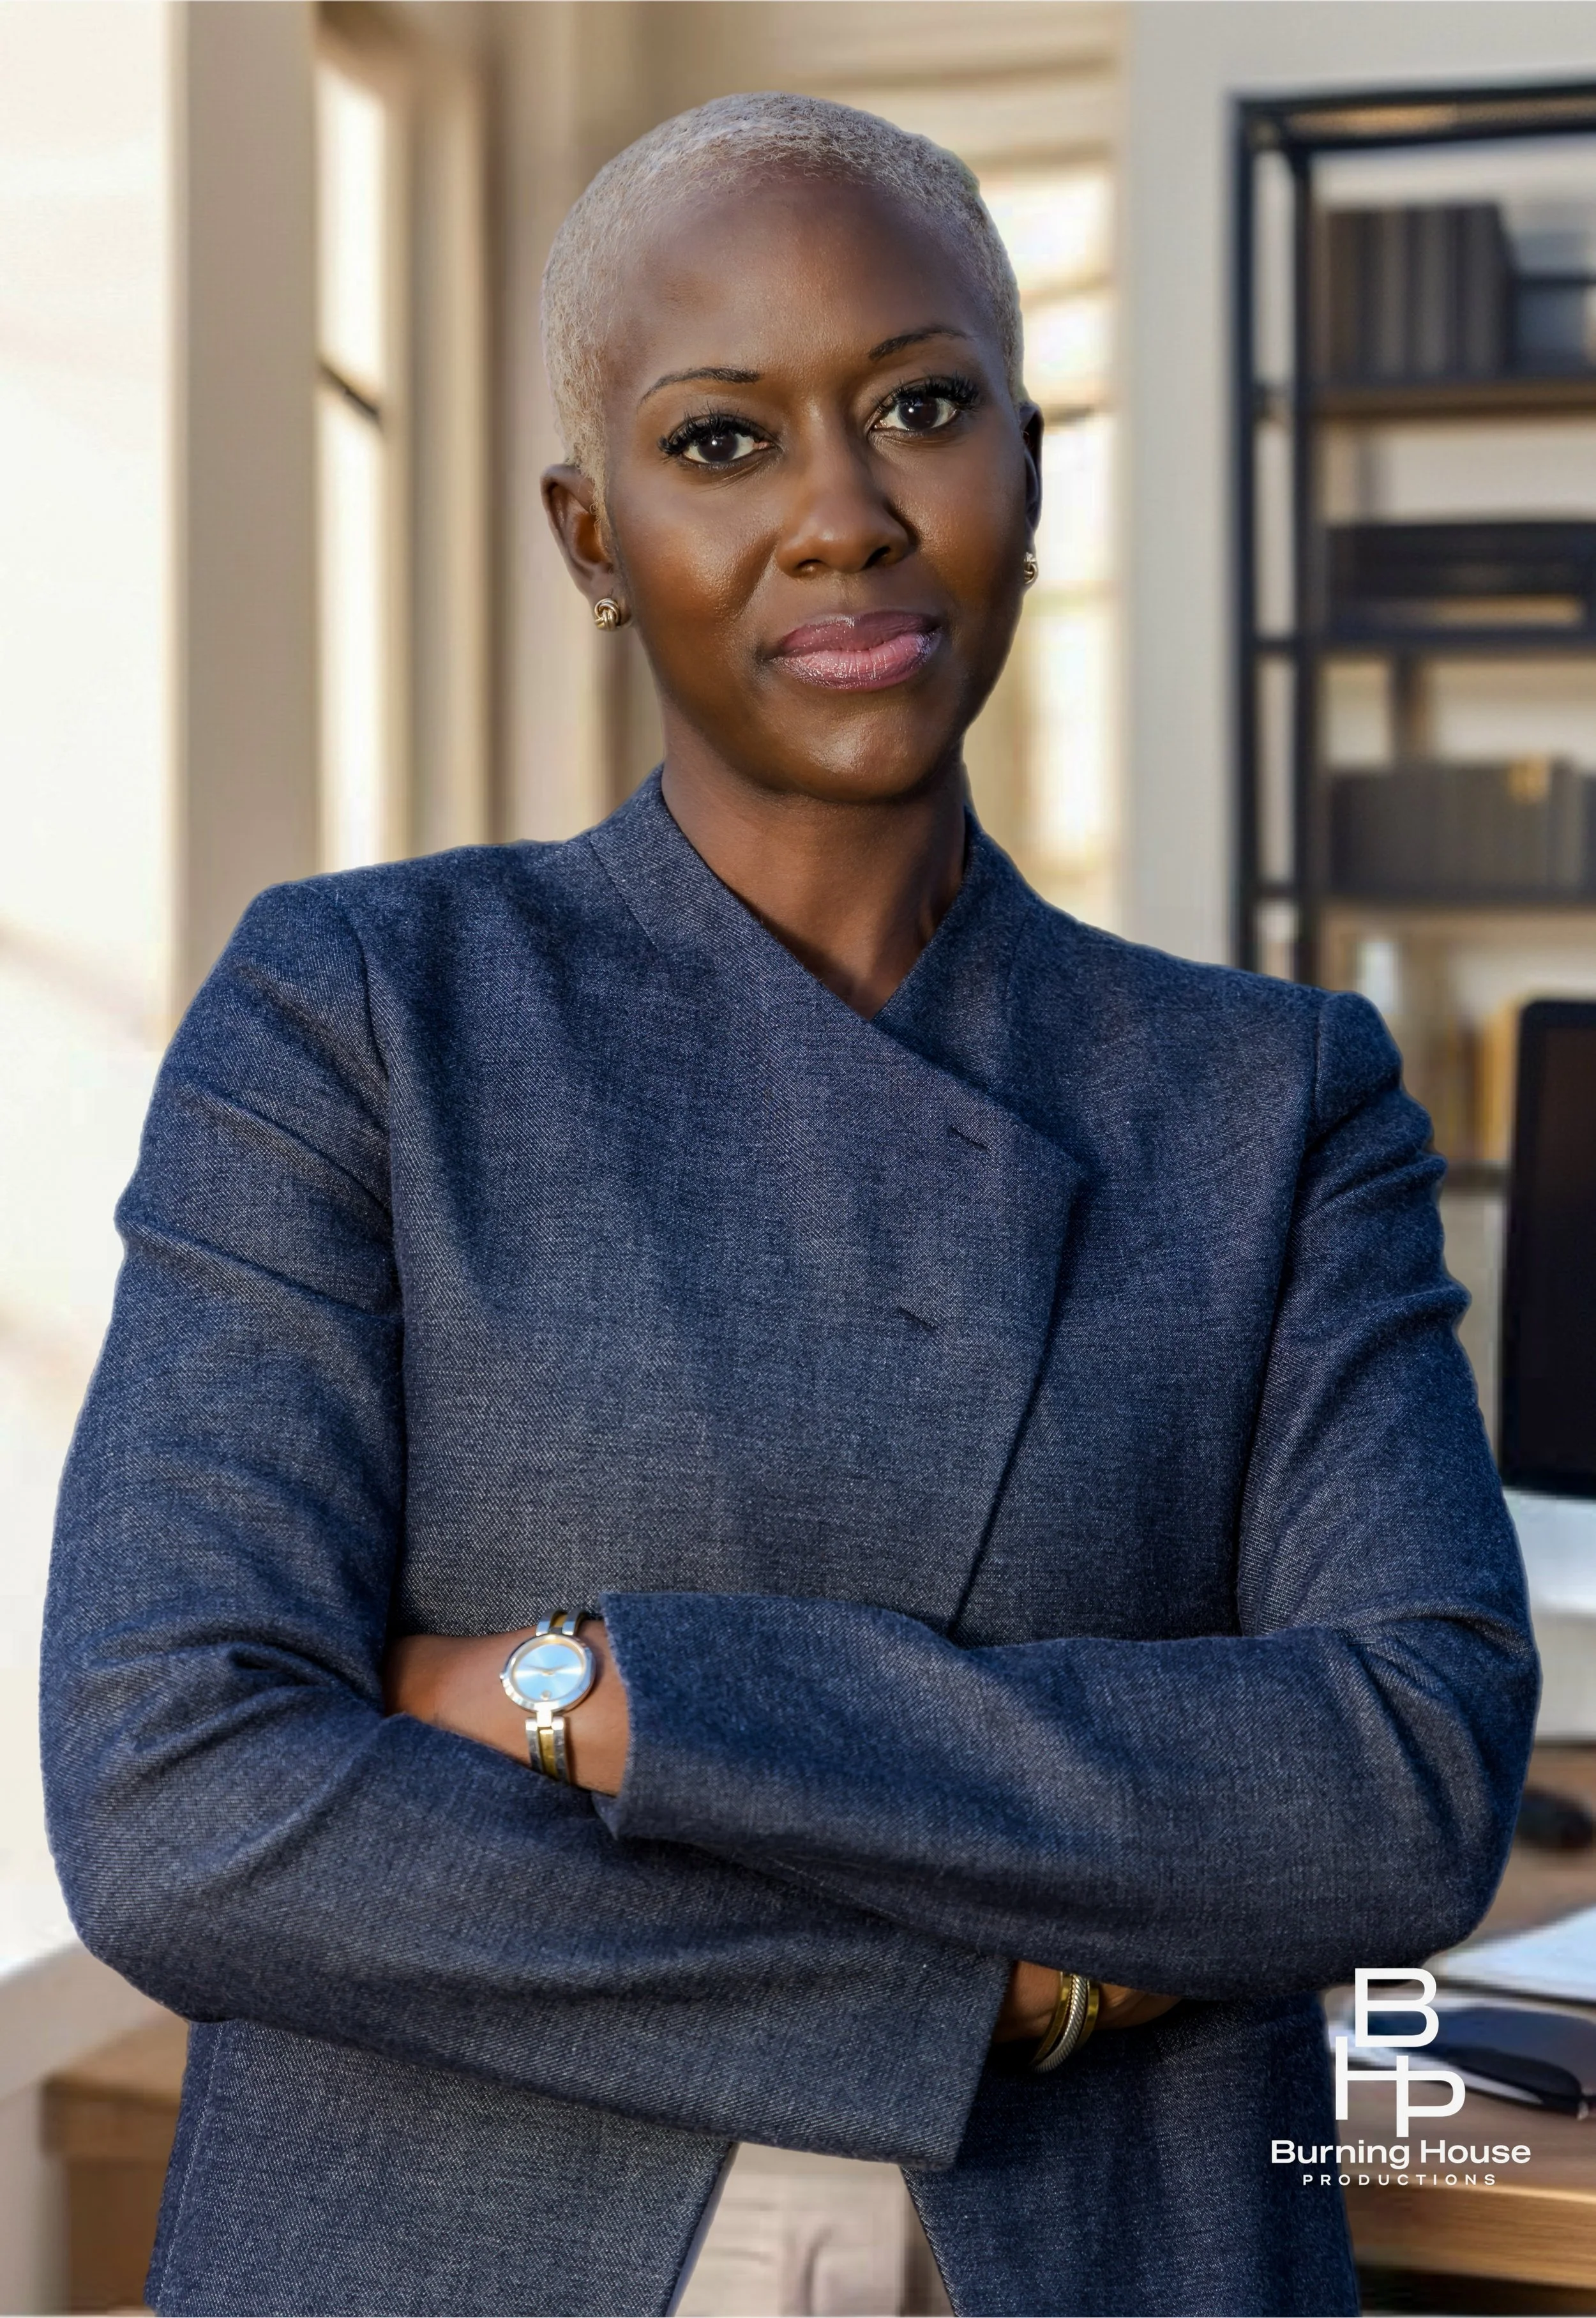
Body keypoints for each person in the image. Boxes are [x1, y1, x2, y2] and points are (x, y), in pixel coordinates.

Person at [43, 93, 1536, 2318]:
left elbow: (1402, 1776)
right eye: (722, 440)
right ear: (587, 529)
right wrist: (985, 1991)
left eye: (919, 410)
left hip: (1104, 2254)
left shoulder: (1268, 1094)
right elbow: (184, 1792)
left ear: (1028, 478)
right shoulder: (363, 1009)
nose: (841, 518)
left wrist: (614, 1693)